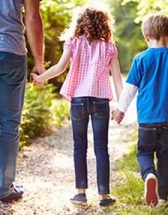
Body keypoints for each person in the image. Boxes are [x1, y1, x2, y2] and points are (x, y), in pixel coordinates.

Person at [31, 6, 123, 207]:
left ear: (80, 23)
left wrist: (40, 78)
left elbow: (59, 67)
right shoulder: (109, 47)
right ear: (105, 25)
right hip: (101, 101)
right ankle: (104, 196)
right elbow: (117, 79)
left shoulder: (73, 43)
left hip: (79, 100)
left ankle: (80, 194)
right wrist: (120, 106)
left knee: (79, 146)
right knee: (101, 148)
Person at [112, 14, 168, 207]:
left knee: (144, 153)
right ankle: (163, 198)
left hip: (147, 119)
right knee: (166, 157)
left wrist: (120, 110)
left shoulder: (140, 59)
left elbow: (130, 89)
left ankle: (149, 174)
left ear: (146, 36)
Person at [0, 0, 44, 203]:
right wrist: (39, 62)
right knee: (9, 124)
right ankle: (5, 189)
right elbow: (33, 17)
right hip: (11, 52)